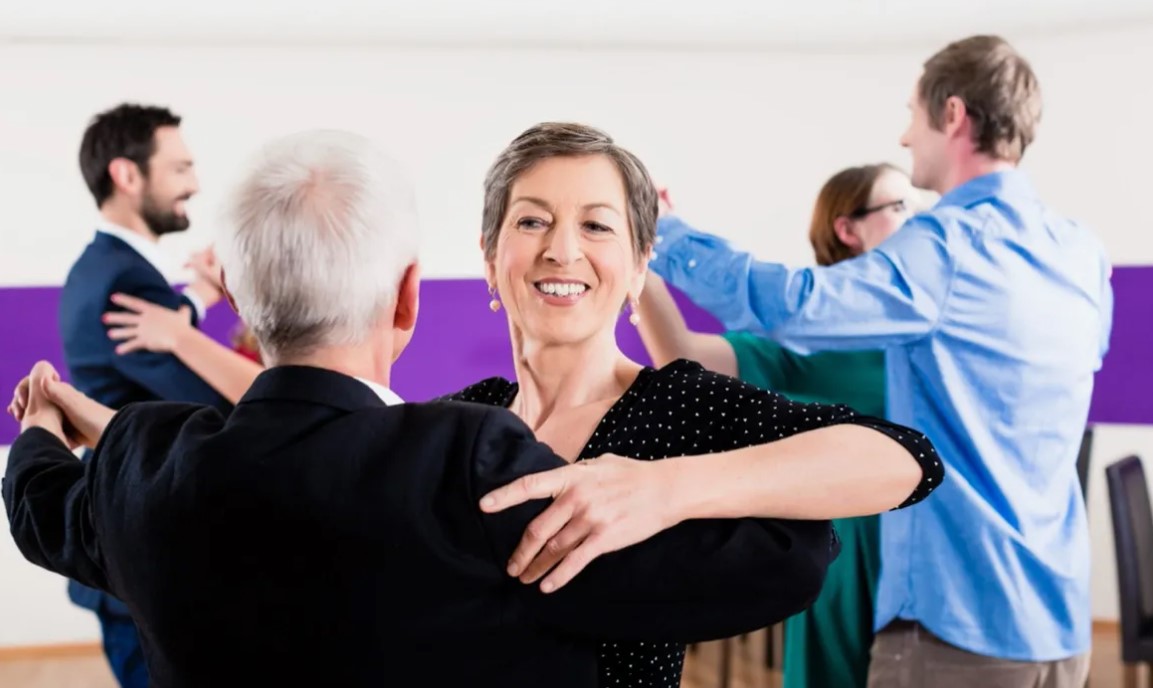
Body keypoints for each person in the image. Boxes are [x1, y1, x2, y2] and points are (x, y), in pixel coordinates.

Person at [7, 129, 848, 688]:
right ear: (411, 297)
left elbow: (41, 500)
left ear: (238, 303)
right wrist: (672, 490)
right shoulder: (471, 460)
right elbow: (785, 559)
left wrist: (51, 425)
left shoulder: (145, 467)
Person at [648, 35, 1112, 688]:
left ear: (951, 115)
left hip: (959, 623)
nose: (903, 137)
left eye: (911, 114)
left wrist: (664, 233)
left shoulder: (947, 246)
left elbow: (790, 304)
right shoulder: (1078, 251)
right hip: (1059, 625)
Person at [443, 121, 943, 687]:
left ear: (638, 268)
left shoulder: (675, 405)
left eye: (596, 225)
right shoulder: (458, 421)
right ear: (489, 257)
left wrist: (665, 490)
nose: (562, 250)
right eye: (532, 221)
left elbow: (906, 460)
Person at [637, 163, 915, 688]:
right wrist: (640, 266)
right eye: (899, 208)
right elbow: (684, 357)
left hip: (932, 575)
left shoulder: (927, 329)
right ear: (847, 229)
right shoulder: (813, 338)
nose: (917, 222)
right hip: (849, 574)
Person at [57, 102, 229, 688]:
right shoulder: (124, 282)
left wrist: (197, 301)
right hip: (141, 540)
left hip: (125, 526)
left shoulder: (102, 268)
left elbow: (161, 331)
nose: (194, 183)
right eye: (180, 168)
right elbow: (212, 404)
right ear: (128, 176)